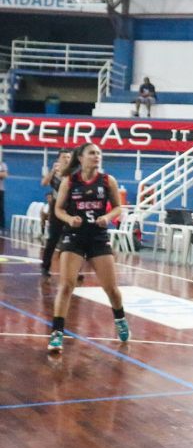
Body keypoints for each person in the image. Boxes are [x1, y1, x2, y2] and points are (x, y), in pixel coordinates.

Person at [47, 143, 130, 354]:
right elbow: (58, 209)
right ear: (81, 158)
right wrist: (69, 218)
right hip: (74, 237)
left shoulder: (107, 180)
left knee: (111, 288)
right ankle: (57, 333)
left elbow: (119, 207)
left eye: (99, 153)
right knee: (66, 285)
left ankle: (120, 318)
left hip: (97, 238)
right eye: (92, 153)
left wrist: (108, 217)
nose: (96, 156)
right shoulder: (70, 181)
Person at [40, 148, 72, 277]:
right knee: (53, 238)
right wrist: (53, 171)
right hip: (55, 207)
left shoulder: (73, 172)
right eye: (64, 157)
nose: (66, 159)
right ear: (59, 159)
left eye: (69, 157)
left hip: (69, 207)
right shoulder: (55, 172)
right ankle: (45, 267)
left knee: (73, 239)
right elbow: (44, 183)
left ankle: (74, 270)